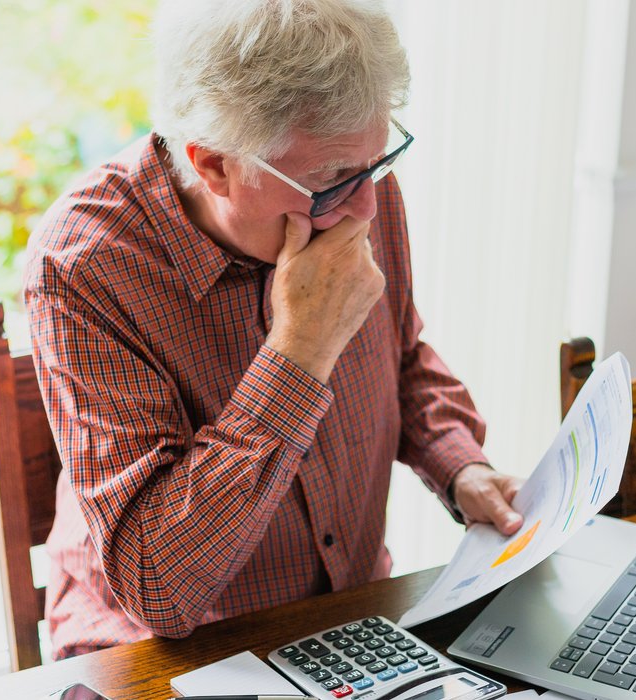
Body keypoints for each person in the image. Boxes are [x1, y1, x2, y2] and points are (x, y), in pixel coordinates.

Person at [25, 0, 523, 660]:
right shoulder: (84, 265)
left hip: (352, 622)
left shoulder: (353, 181)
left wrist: (461, 466)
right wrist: (300, 350)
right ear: (212, 164)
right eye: (329, 181)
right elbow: (158, 588)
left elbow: (399, 358)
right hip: (161, 654)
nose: (366, 205)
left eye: (376, 164)